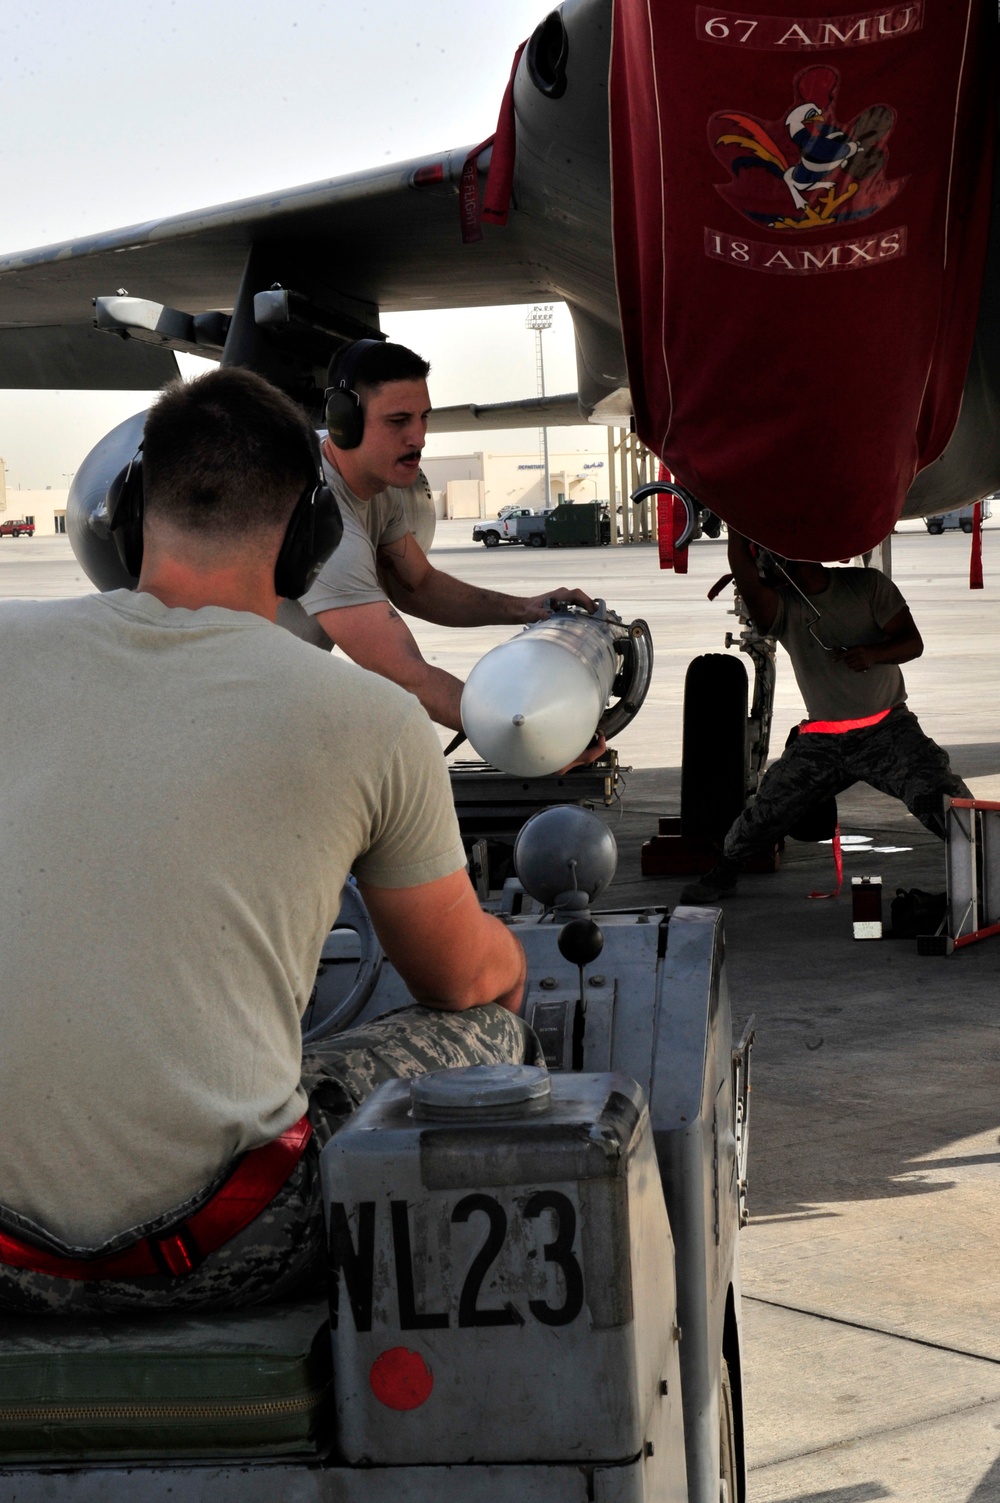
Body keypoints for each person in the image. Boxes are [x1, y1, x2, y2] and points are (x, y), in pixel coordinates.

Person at [0, 367, 538, 1316]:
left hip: (6, 1256)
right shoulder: (371, 720)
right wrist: (508, 960)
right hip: (216, 1243)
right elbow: (459, 980)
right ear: (309, 540)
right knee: (493, 1022)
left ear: (126, 516)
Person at [288, 339, 600, 737]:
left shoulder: (376, 491)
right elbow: (405, 675)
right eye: (398, 421)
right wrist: (530, 735)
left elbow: (418, 585)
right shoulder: (317, 510)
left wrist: (528, 609)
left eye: (423, 418)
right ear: (343, 422)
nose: (418, 438)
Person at [681, 527, 970, 903]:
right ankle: (722, 875)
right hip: (823, 742)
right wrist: (738, 525)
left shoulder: (868, 586)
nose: (765, 574)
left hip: (888, 729)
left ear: (787, 561)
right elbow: (748, 578)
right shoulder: (783, 607)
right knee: (768, 811)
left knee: (946, 801)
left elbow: (912, 643)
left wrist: (872, 654)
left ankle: (986, 862)